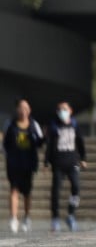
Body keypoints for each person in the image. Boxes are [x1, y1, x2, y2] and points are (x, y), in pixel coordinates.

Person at [45, 102, 87, 232]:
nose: (62, 111)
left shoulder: (75, 125)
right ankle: (55, 218)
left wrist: (83, 159)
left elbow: (80, 142)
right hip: (58, 163)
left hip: (72, 162)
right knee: (56, 191)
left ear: (70, 110)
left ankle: (71, 214)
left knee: (76, 188)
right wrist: (46, 162)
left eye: (65, 109)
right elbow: (49, 145)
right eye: (59, 109)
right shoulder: (53, 126)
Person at [4, 99, 44, 233]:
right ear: (17, 110)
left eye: (26, 108)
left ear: (29, 110)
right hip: (14, 164)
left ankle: (26, 217)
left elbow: (39, 142)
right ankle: (14, 219)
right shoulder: (10, 124)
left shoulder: (34, 125)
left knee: (27, 193)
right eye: (21, 107)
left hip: (28, 164)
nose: (23, 110)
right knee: (13, 190)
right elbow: (5, 144)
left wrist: (44, 137)